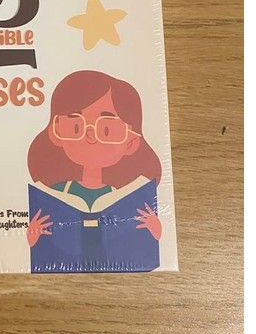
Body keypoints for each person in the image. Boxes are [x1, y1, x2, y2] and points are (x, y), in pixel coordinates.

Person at [26, 70, 163, 253]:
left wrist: (155, 231)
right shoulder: (54, 193)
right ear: (55, 131)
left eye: (106, 129)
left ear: (131, 142)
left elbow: (136, 242)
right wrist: (33, 236)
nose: (90, 136)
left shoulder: (123, 197)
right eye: (76, 126)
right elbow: (44, 242)